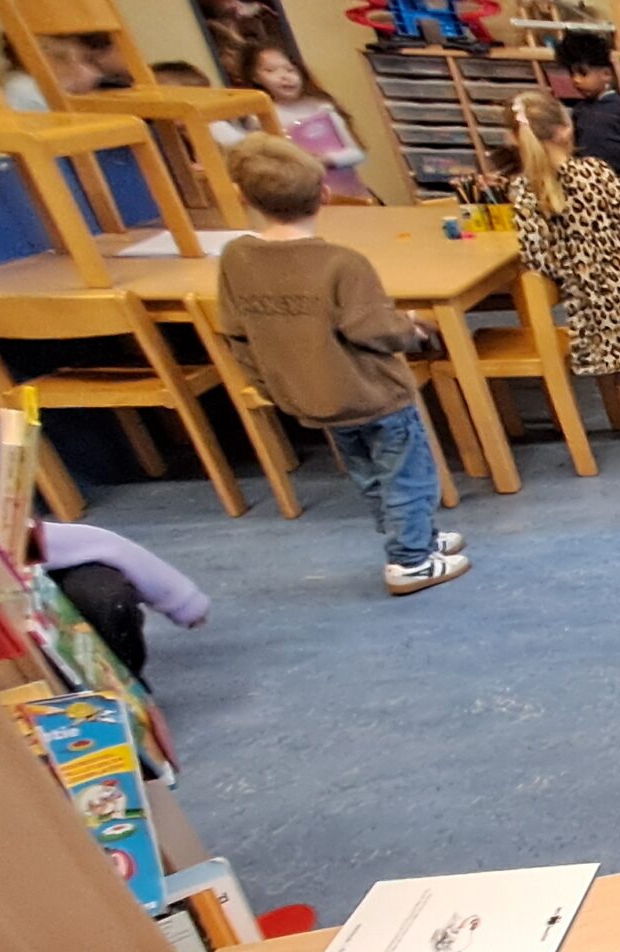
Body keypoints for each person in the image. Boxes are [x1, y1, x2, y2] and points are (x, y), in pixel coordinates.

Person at [212, 135, 468, 595]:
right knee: (408, 475)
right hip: (375, 394)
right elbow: (373, 330)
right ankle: (410, 559)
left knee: (369, 475)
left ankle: (413, 535)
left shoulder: (236, 258)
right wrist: (412, 329)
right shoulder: (342, 263)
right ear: (324, 195)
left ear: (242, 196)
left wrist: (268, 383)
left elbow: (235, 330)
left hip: (312, 395)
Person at [505, 91, 620, 459]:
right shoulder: (596, 171)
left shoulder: (523, 189)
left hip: (586, 290)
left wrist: (568, 269)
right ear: (565, 129)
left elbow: (536, 253)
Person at [39, 522, 209, 680]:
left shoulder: (32, 537)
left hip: (57, 573)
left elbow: (108, 544)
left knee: (106, 598)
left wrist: (183, 602)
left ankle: (126, 677)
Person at [218, 40, 372, 201]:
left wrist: (325, 160)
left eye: (290, 70)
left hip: (350, 192)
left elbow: (357, 153)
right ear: (255, 77)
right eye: (270, 71)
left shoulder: (322, 107)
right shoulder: (259, 117)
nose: (284, 77)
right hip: (302, 198)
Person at [554, 31, 620, 177]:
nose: (576, 80)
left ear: (606, 74)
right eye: (572, 74)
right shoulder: (578, 111)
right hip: (590, 177)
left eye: (583, 73)